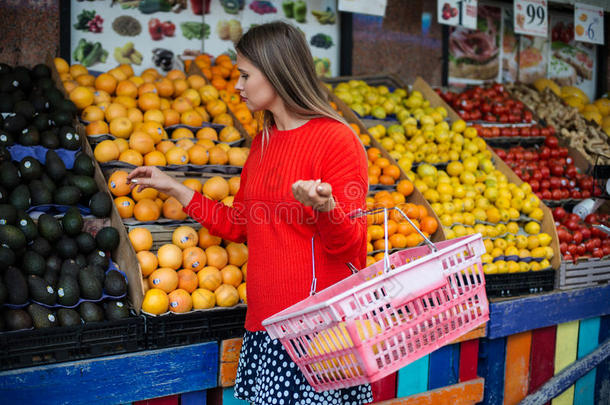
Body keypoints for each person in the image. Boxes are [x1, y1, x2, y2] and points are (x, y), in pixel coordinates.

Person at [127, 21, 372, 405]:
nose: (237, 86)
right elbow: (240, 225)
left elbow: (353, 248)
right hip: (265, 327)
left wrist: (326, 209)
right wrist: (173, 186)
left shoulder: (337, 140)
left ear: (276, 71)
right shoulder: (264, 142)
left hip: (318, 332)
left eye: (244, 75)